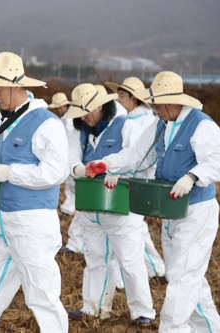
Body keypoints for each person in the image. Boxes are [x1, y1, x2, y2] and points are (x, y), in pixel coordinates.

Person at [90, 71, 220, 332]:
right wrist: (107, 163)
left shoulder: (201, 125)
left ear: (172, 100)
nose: (153, 109)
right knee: (188, 277)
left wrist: (192, 176)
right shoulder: (161, 126)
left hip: (196, 211)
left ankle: (172, 328)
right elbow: (136, 156)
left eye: (156, 104)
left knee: (182, 279)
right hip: (172, 212)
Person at [0, 52, 69, 333]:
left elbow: (56, 171)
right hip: (1, 223)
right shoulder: (0, 122)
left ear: (15, 86)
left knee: (42, 295)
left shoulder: (46, 123)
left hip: (32, 224)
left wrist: (13, 173)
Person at [62, 83, 155, 327]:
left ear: (101, 106)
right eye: (79, 112)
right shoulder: (78, 131)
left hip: (121, 205)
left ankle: (143, 311)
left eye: (87, 111)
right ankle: (94, 308)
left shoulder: (126, 126)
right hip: (91, 205)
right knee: (94, 257)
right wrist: (80, 169)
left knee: (130, 259)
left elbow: (141, 159)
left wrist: (120, 173)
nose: (83, 116)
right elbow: (69, 160)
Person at [106, 76, 166, 280]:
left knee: (131, 228)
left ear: (134, 98)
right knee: (135, 228)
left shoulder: (139, 122)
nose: (118, 99)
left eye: (122, 95)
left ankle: (148, 270)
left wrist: (118, 171)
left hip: (137, 181)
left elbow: (139, 157)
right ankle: (155, 268)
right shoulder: (143, 119)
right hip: (137, 179)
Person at [48, 92, 76, 217]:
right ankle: (69, 206)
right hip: (68, 153)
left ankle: (72, 207)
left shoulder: (69, 119)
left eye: (56, 108)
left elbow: (70, 139)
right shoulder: (65, 117)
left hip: (71, 153)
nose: (55, 111)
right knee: (69, 181)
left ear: (61, 107)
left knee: (72, 181)